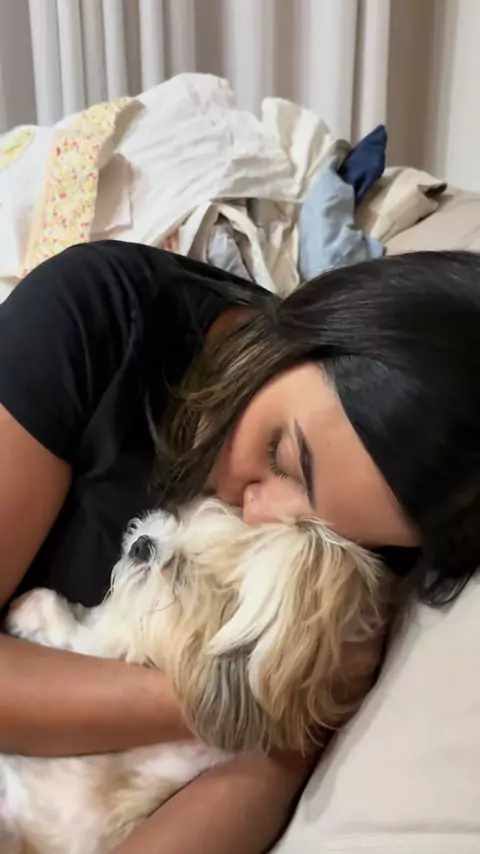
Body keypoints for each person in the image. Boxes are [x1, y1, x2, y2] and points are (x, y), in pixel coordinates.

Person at [1, 242, 479, 853]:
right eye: (282, 456)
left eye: (326, 531)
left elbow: (261, 772)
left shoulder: (376, 538)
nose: (259, 513)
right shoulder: (94, 317)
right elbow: (286, 713)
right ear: (301, 329)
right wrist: (239, 702)